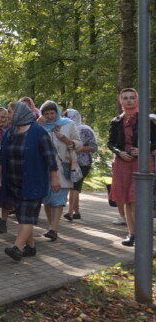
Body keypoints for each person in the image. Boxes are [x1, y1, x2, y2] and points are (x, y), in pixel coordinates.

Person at [0, 102, 60, 261]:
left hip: (33, 182)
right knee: (22, 215)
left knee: (26, 216)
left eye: (10, 112)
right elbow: (1, 154)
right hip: (14, 182)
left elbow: (50, 156)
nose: (8, 115)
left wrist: (54, 178)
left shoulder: (38, 132)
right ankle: (30, 247)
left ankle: (18, 247)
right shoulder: (11, 132)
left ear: (19, 113)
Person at [108, 88, 156, 247]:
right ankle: (132, 234)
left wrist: (144, 150)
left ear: (137, 100)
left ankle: (143, 233)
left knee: (137, 199)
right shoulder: (116, 121)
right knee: (127, 201)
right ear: (121, 101)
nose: (129, 100)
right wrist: (119, 152)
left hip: (141, 162)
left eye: (132, 97)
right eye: (125, 98)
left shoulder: (146, 120)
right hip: (123, 163)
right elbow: (111, 142)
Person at [37, 101, 81, 242]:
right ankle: (52, 226)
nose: (49, 116)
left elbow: (78, 144)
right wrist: (37, 125)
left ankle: (53, 229)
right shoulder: (39, 126)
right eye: (46, 113)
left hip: (63, 167)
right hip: (43, 168)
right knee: (48, 200)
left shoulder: (68, 124)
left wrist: (66, 140)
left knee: (58, 199)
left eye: (52, 113)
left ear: (57, 112)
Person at [64, 109, 97, 222]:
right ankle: (76, 212)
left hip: (83, 163)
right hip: (69, 161)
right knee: (74, 186)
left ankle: (69, 212)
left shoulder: (86, 130)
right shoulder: (64, 128)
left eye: (68, 117)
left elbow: (93, 147)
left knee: (75, 186)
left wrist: (77, 147)